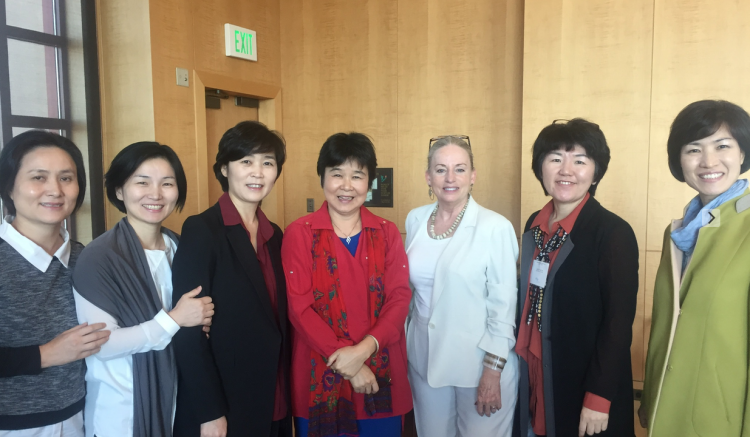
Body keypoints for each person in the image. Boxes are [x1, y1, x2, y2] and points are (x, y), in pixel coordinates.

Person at [72, 142, 213, 437]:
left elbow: (199, 318)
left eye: (167, 183)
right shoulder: (99, 256)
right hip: (122, 413)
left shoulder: (182, 247)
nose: (156, 194)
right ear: (120, 191)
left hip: (180, 402)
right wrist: (175, 319)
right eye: (142, 182)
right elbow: (103, 344)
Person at [282, 132, 412, 437]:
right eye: (337, 174)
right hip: (319, 371)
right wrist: (349, 364)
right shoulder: (300, 233)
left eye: (357, 176)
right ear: (322, 178)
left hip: (381, 373)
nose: (346, 186)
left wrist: (362, 352)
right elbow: (299, 308)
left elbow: (399, 298)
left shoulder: (387, 232)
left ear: (369, 183)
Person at [515, 119, 639, 437]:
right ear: (540, 167)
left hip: (582, 383)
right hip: (535, 374)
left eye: (580, 160)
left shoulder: (612, 232)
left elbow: (617, 322)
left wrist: (599, 397)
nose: (566, 170)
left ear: (595, 172)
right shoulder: (534, 224)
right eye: (555, 158)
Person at [171, 121, 291, 437]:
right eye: (246, 162)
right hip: (226, 402)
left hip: (273, 395)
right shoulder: (202, 231)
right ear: (225, 168)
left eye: (268, 163)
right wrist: (209, 412)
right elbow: (189, 332)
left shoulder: (275, 235)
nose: (258, 172)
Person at [639, 100, 750, 437]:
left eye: (722, 146)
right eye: (693, 149)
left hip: (721, 417)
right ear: (679, 160)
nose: (708, 162)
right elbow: (664, 328)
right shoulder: (678, 233)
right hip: (667, 408)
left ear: (743, 153)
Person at [404, 135, 519, 436]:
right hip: (424, 359)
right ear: (428, 177)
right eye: (441, 169)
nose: (450, 178)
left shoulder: (495, 227)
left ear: (473, 175)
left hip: (478, 363)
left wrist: (493, 371)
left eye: (460, 168)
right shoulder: (415, 219)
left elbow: (503, 307)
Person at [0, 131, 110, 436]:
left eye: (66, 178)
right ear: (9, 186)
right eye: (38, 177)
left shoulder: (84, 257)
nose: (55, 190)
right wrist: (45, 354)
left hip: (81, 417)